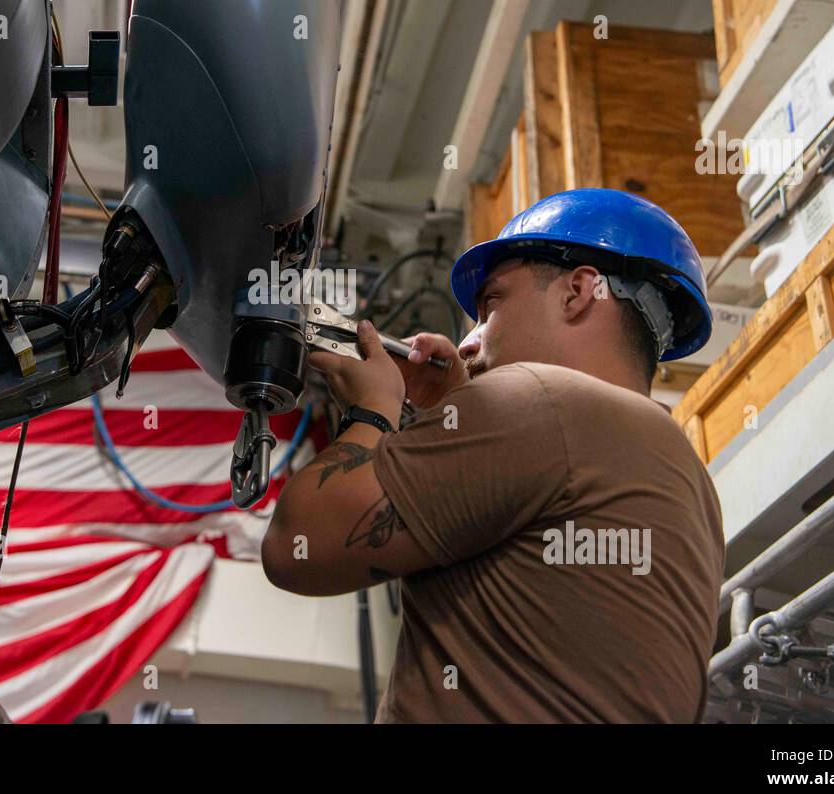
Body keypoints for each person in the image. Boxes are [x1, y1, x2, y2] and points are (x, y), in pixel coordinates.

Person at [261, 188, 726, 722]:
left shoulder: (540, 398)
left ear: (578, 291)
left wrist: (373, 409)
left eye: (492, 306)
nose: (467, 343)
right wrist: (454, 408)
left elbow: (295, 547)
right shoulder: (682, 474)